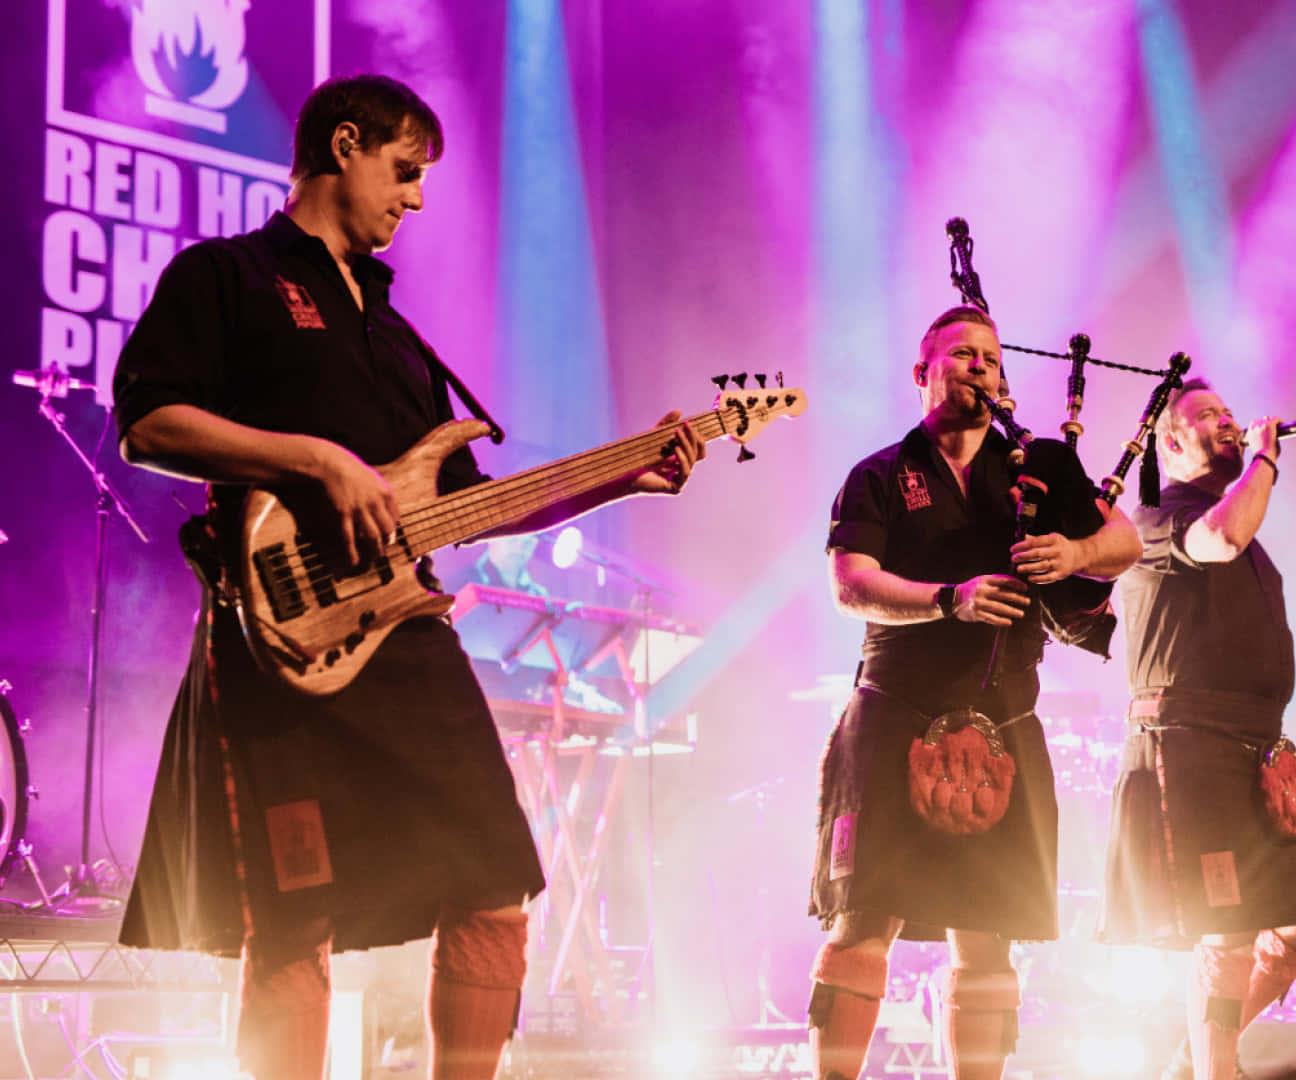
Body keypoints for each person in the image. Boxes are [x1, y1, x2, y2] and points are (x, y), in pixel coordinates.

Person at [112, 74, 702, 1080]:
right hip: (280, 642)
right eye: (405, 170)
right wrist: (313, 458)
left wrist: (625, 481)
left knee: (494, 881)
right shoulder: (228, 275)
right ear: (344, 144)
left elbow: (474, 507)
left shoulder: (396, 331)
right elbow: (148, 425)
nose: (418, 198)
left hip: (407, 638)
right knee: (293, 919)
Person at [809, 305, 1141, 1080]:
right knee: (862, 922)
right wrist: (945, 599)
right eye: (960, 354)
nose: (978, 366)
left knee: (988, 930)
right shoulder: (880, 474)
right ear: (921, 374)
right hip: (896, 711)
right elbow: (850, 582)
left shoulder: (1039, 467)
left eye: (990, 356)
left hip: (1005, 717)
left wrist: (1076, 550)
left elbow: (1124, 543)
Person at [1098, 379, 1296, 1080]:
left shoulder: (1241, 523)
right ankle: (1215, 1071)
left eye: (1233, 417)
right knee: (1229, 922)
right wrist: (1265, 460)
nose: (1231, 425)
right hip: (1190, 738)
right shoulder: (1152, 520)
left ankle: (1199, 1054)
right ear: (1170, 443)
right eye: (1209, 416)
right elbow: (1224, 536)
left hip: (1259, 745)